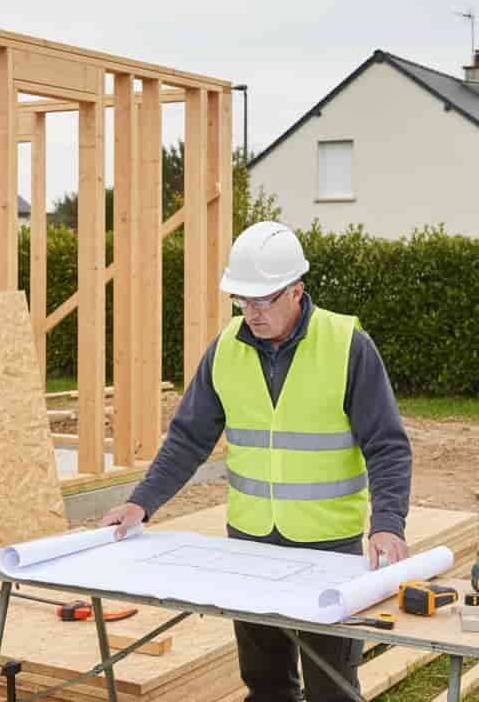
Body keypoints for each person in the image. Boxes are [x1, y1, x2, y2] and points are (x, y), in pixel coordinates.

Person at [102, 221, 412, 702]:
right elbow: (188, 437)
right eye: (242, 300)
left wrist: (388, 522)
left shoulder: (347, 345)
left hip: (326, 550)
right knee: (266, 688)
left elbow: (386, 444)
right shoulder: (226, 348)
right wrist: (142, 502)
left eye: (263, 300)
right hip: (248, 547)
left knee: (332, 689)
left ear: (296, 291)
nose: (251, 312)